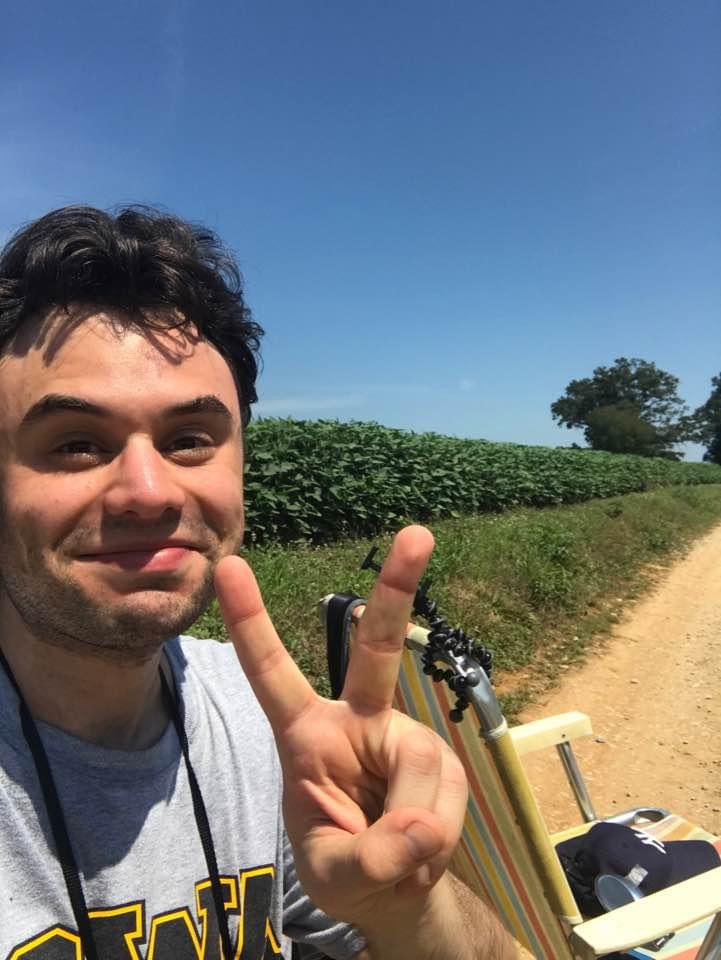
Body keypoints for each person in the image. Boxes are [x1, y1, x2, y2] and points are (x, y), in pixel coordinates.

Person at [0, 205, 517, 960]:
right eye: (77, 444)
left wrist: (402, 903)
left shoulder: (261, 722)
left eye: (189, 440)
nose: (150, 491)